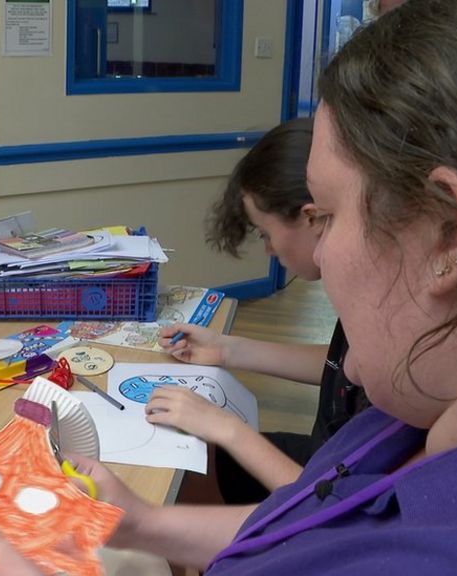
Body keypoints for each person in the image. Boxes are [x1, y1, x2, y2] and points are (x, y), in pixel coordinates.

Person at [0, 0, 457, 573]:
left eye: (331, 214)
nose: (320, 253)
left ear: (449, 237)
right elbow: (318, 524)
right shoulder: (431, 408)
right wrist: (143, 523)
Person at [148, 118, 367, 505]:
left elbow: (332, 510)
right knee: (200, 460)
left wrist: (227, 428)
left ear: (311, 216)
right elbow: (344, 367)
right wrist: (227, 350)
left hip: (324, 495)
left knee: (195, 467)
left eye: (266, 234)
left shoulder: (389, 326)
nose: (268, 249)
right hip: (324, 459)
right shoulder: (368, 323)